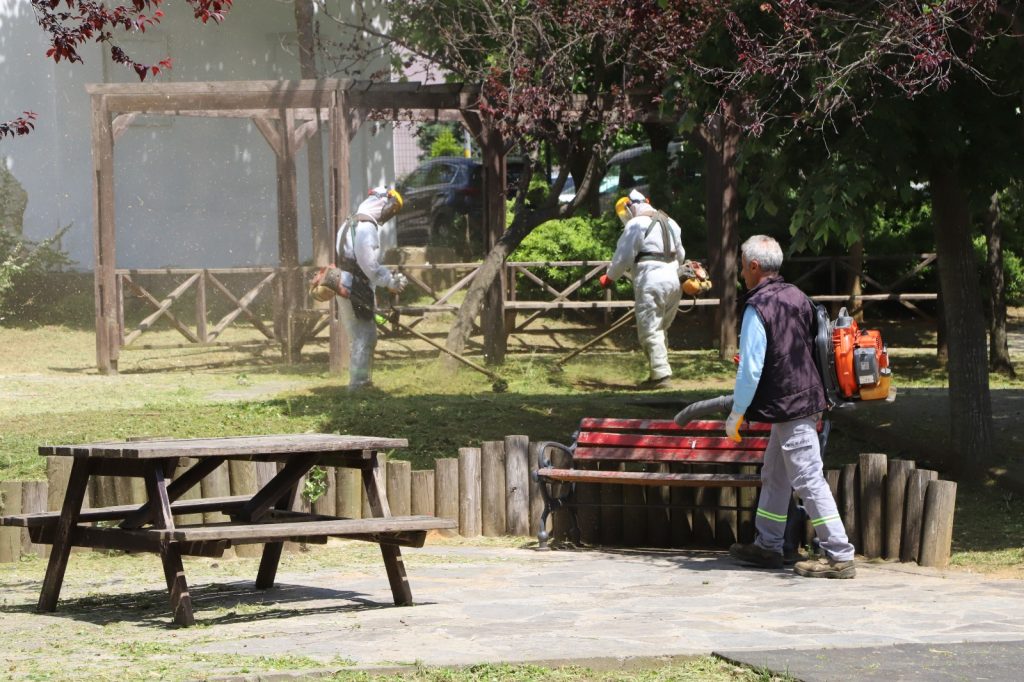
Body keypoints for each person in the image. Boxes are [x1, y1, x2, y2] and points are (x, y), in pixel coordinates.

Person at [727, 234, 856, 579]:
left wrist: (737, 413)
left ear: (754, 266)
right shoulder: (797, 296)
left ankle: (840, 554)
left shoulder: (758, 306)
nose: (741, 272)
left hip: (792, 405)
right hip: (802, 402)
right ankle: (767, 546)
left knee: (808, 478)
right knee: (775, 474)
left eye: (742, 265)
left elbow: (751, 367)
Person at [599, 190, 686, 389]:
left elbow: (623, 256)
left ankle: (660, 376)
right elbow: (681, 255)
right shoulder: (671, 223)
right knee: (660, 327)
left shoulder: (636, 224)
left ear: (631, 206)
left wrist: (609, 277)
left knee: (649, 329)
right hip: (674, 279)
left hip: (651, 280)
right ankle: (659, 370)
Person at [336, 187, 408, 390]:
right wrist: (390, 281)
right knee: (364, 337)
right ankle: (358, 385)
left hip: (346, 284)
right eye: (391, 208)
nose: (390, 213)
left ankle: (362, 381)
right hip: (355, 287)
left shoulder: (350, 222)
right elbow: (370, 267)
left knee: (361, 336)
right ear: (380, 203)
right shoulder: (366, 228)